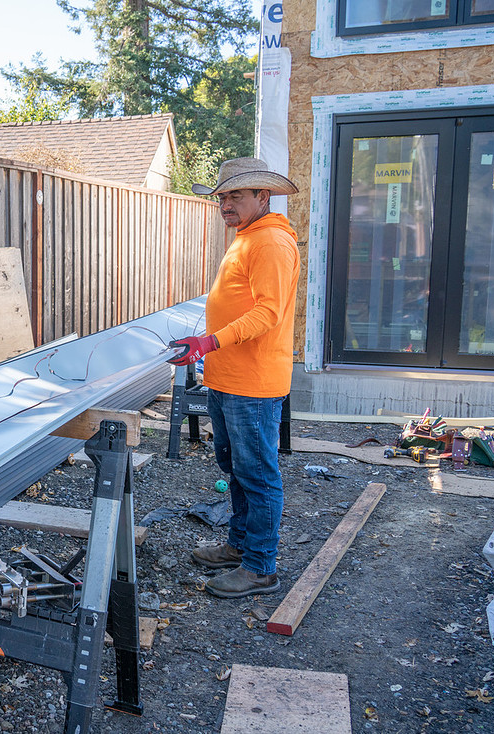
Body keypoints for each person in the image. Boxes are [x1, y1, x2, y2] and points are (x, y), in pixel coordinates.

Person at [167, 157, 300, 599]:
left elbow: (267, 313)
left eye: (236, 195)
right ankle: (240, 546)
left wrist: (209, 343)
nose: (226, 203)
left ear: (264, 196)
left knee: (258, 475)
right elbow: (239, 306)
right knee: (236, 469)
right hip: (228, 379)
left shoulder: (272, 244)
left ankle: (261, 567)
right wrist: (208, 348)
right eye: (223, 196)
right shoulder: (248, 237)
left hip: (253, 384)